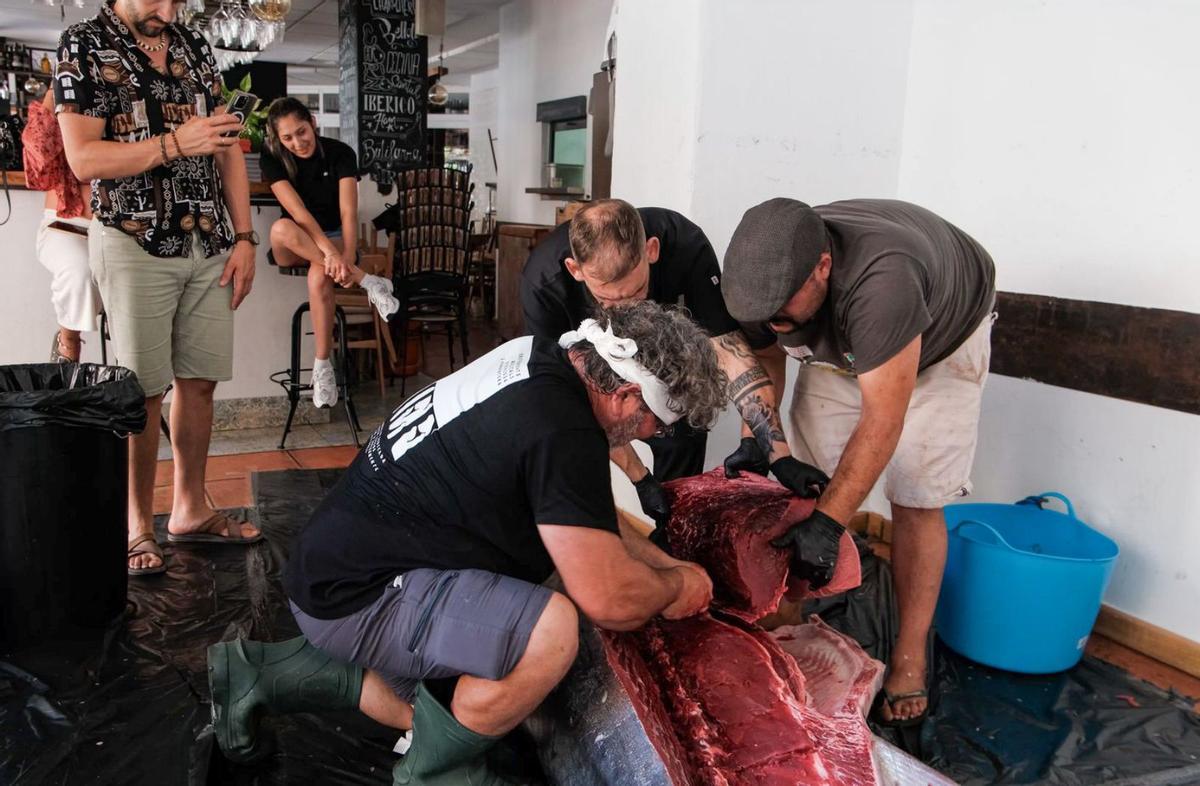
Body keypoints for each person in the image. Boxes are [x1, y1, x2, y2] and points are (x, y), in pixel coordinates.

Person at [207, 301, 725, 784]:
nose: (651, 435)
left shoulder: (539, 358)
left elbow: (584, 515)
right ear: (628, 395)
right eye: (658, 423)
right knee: (550, 633)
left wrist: (660, 562)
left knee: (459, 689)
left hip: (333, 568)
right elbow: (609, 600)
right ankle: (432, 773)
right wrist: (677, 586)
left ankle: (257, 673)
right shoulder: (563, 431)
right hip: (358, 596)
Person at [721, 197, 997, 726]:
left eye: (782, 312)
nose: (772, 324)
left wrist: (828, 525)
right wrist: (761, 439)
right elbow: (771, 357)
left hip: (942, 339)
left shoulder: (882, 283)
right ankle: (787, 621)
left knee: (916, 492)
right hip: (845, 329)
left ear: (823, 267)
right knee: (797, 481)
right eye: (764, 317)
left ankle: (911, 655)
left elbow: (882, 420)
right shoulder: (761, 280)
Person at [56, 0, 262, 576]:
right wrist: (176, 143)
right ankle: (135, 528)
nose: (168, 9)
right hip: (133, 238)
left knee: (198, 385)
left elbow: (227, 145)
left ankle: (190, 510)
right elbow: (83, 159)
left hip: (210, 241)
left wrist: (245, 237)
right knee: (141, 394)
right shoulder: (83, 43)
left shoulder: (194, 44)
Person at [521, 199, 829, 530]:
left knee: (685, 438)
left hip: (668, 378)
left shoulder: (684, 245)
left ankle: (676, 542)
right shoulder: (543, 284)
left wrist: (776, 453)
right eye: (609, 300)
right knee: (575, 450)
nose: (625, 309)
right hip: (594, 386)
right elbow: (568, 399)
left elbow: (730, 351)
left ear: (651, 250)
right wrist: (639, 478)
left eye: (638, 291)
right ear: (575, 270)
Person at [260, 97, 398, 408]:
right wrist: (334, 256)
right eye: (288, 137)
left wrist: (346, 255)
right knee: (281, 229)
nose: (297, 142)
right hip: (295, 240)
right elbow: (298, 213)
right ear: (277, 139)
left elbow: (349, 211)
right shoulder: (272, 156)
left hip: (335, 239)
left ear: (313, 122)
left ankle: (323, 367)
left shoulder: (340, 153)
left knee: (319, 276)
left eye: (302, 131)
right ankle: (368, 281)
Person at [22, 89, 101, 361]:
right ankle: (68, 343)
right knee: (78, 269)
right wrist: (56, 90)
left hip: (119, 229)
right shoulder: (67, 94)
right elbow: (40, 152)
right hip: (66, 224)